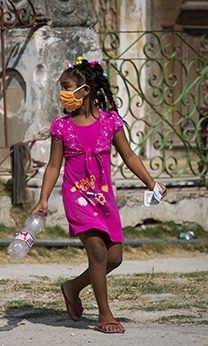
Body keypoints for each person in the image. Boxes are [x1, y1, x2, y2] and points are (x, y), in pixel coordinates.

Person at [31, 57, 167, 334]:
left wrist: (151, 183)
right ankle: (105, 315)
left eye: (67, 87)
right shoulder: (62, 127)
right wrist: (43, 199)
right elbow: (54, 166)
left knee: (114, 258)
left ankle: (72, 287)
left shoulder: (110, 123)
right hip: (77, 198)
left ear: (86, 90)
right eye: (61, 88)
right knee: (97, 252)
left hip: (104, 199)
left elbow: (129, 155)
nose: (62, 94)